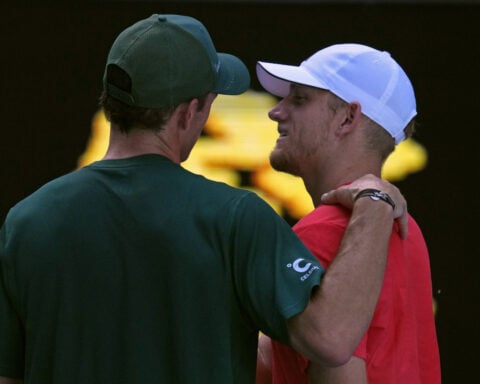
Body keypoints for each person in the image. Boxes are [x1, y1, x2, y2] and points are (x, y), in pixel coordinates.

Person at [0, 15, 408, 384]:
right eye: (209, 104)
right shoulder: (236, 217)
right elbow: (332, 340)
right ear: (186, 113)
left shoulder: (25, 222)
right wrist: (374, 197)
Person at [255, 43, 441, 383]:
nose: (276, 112)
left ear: (347, 118)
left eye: (299, 100)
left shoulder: (325, 231)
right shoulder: (405, 228)